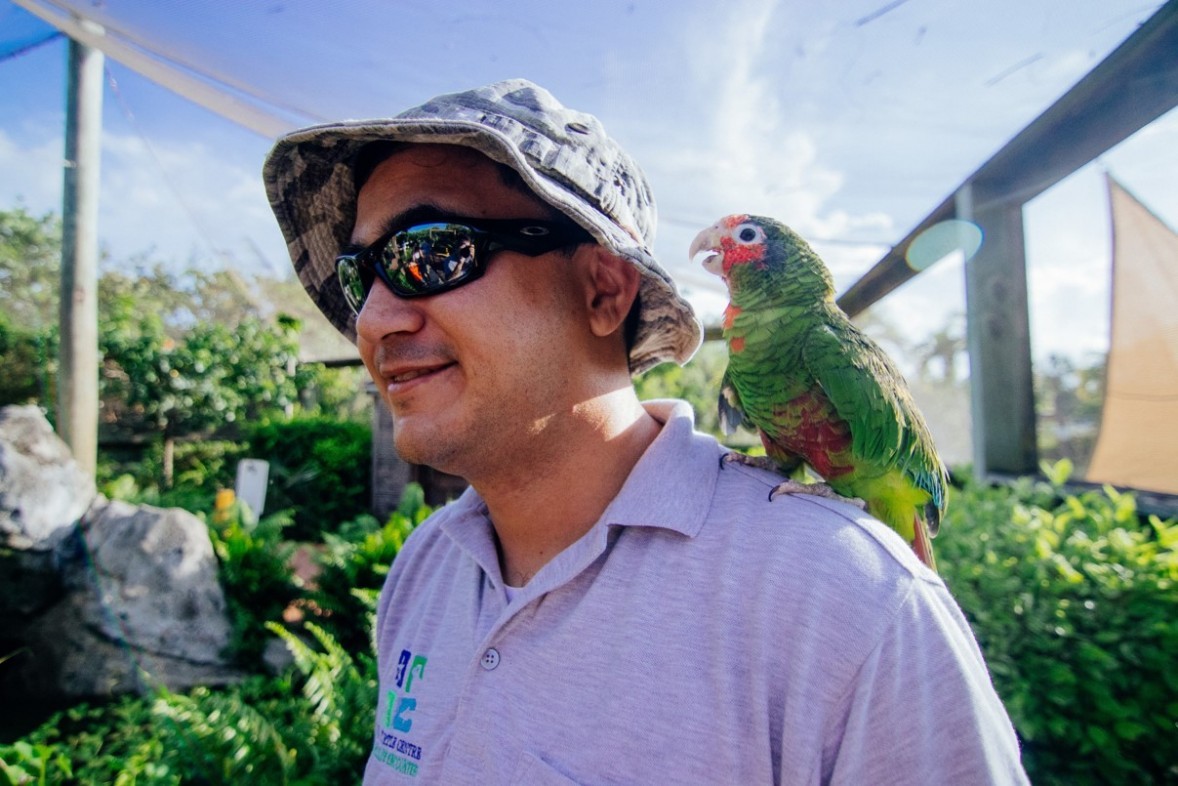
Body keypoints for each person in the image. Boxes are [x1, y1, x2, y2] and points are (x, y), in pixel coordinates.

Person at [263, 79, 1029, 785]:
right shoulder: (422, 570)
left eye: (429, 252)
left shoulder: (849, 605)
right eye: (360, 278)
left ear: (603, 290)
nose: (372, 321)